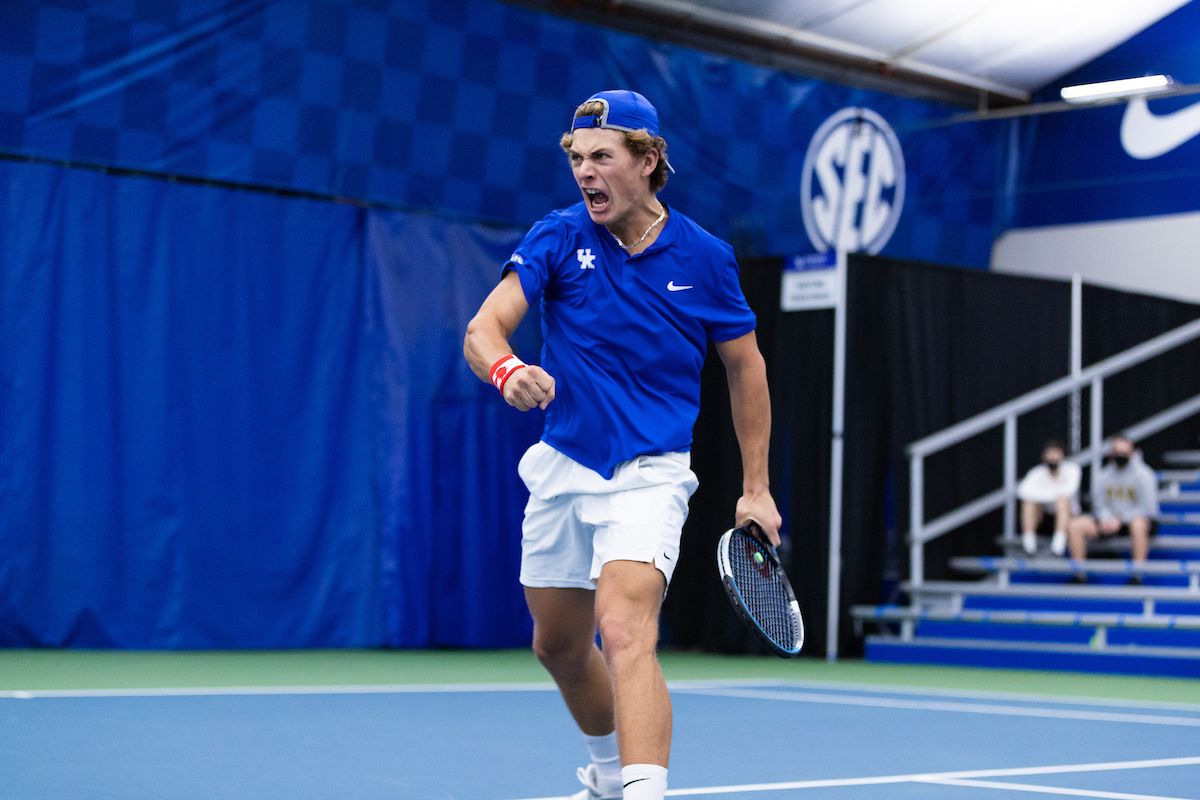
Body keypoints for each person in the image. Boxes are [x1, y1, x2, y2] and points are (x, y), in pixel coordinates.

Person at [463, 90, 781, 800]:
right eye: (576, 158)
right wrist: (508, 369)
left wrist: (754, 486)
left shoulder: (705, 258)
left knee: (624, 628)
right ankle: (608, 779)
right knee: (560, 647)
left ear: (648, 160)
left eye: (602, 156)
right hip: (563, 466)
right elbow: (484, 330)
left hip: (649, 474)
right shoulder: (557, 236)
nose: (585, 172)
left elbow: (745, 367)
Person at [1065, 435, 1159, 584]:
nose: (1120, 456)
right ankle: (1079, 575)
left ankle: (1137, 575)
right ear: (1110, 453)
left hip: (1133, 521)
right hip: (1108, 521)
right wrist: (1106, 519)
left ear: (1132, 452)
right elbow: (1098, 506)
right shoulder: (1102, 476)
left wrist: (1120, 520)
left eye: (1124, 452)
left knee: (1139, 524)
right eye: (1117, 452)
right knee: (1076, 525)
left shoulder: (1145, 475)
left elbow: (1149, 509)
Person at [1016, 439, 1080, 556]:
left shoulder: (1072, 469)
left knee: (1062, 502)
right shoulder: (1037, 472)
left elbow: (1068, 492)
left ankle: (1058, 546)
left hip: (1069, 517)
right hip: (1044, 517)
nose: (1052, 457)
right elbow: (1022, 492)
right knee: (1029, 503)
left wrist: (1041, 494)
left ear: (1062, 455)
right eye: (1049, 453)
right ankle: (1029, 544)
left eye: (1055, 453)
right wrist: (1053, 495)